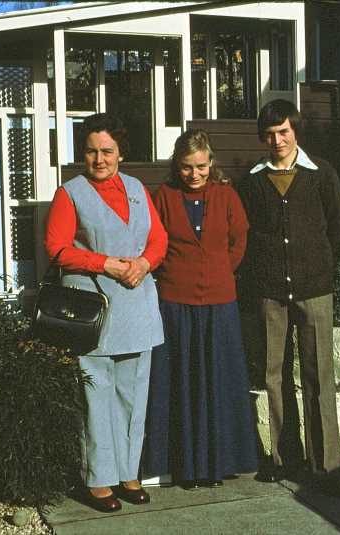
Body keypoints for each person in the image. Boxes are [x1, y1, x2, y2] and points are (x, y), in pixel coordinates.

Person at [44, 113, 167, 512]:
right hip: (93, 312)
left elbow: (158, 238)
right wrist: (106, 264)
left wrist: (144, 263)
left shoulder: (136, 188)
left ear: (120, 153)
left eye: (107, 151)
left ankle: (129, 473)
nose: (99, 159)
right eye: (91, 151)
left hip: (137, 307)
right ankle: (99, 479)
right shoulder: (70, 193)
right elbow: (57, 249)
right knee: (96, 397)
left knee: (133, 396)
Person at [237, 99, 340, 496]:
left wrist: (320, 265)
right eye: (270, 134)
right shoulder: (253, 181)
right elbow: (246, 235)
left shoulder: (320, 174)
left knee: (319, 375)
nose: (277, 140)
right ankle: (285, 458)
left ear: (295, 131)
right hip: (270, 292)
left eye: (283, 131)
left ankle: (327, 466)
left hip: (314, 289)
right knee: (274, 374)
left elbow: (338, 226)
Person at [143, 129, 258, 488]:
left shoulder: (226, 196)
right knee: (181, 382)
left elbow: (239, 241)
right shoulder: (164, 197)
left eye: (201, 166)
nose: (194, 174)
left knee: (219, 381)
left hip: (220, 302)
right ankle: (184, 468)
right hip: (175, 302)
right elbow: (154, 242)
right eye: (186, 167)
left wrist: (219, 271)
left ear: (211, 163)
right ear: (176, 166)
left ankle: (219, 464)